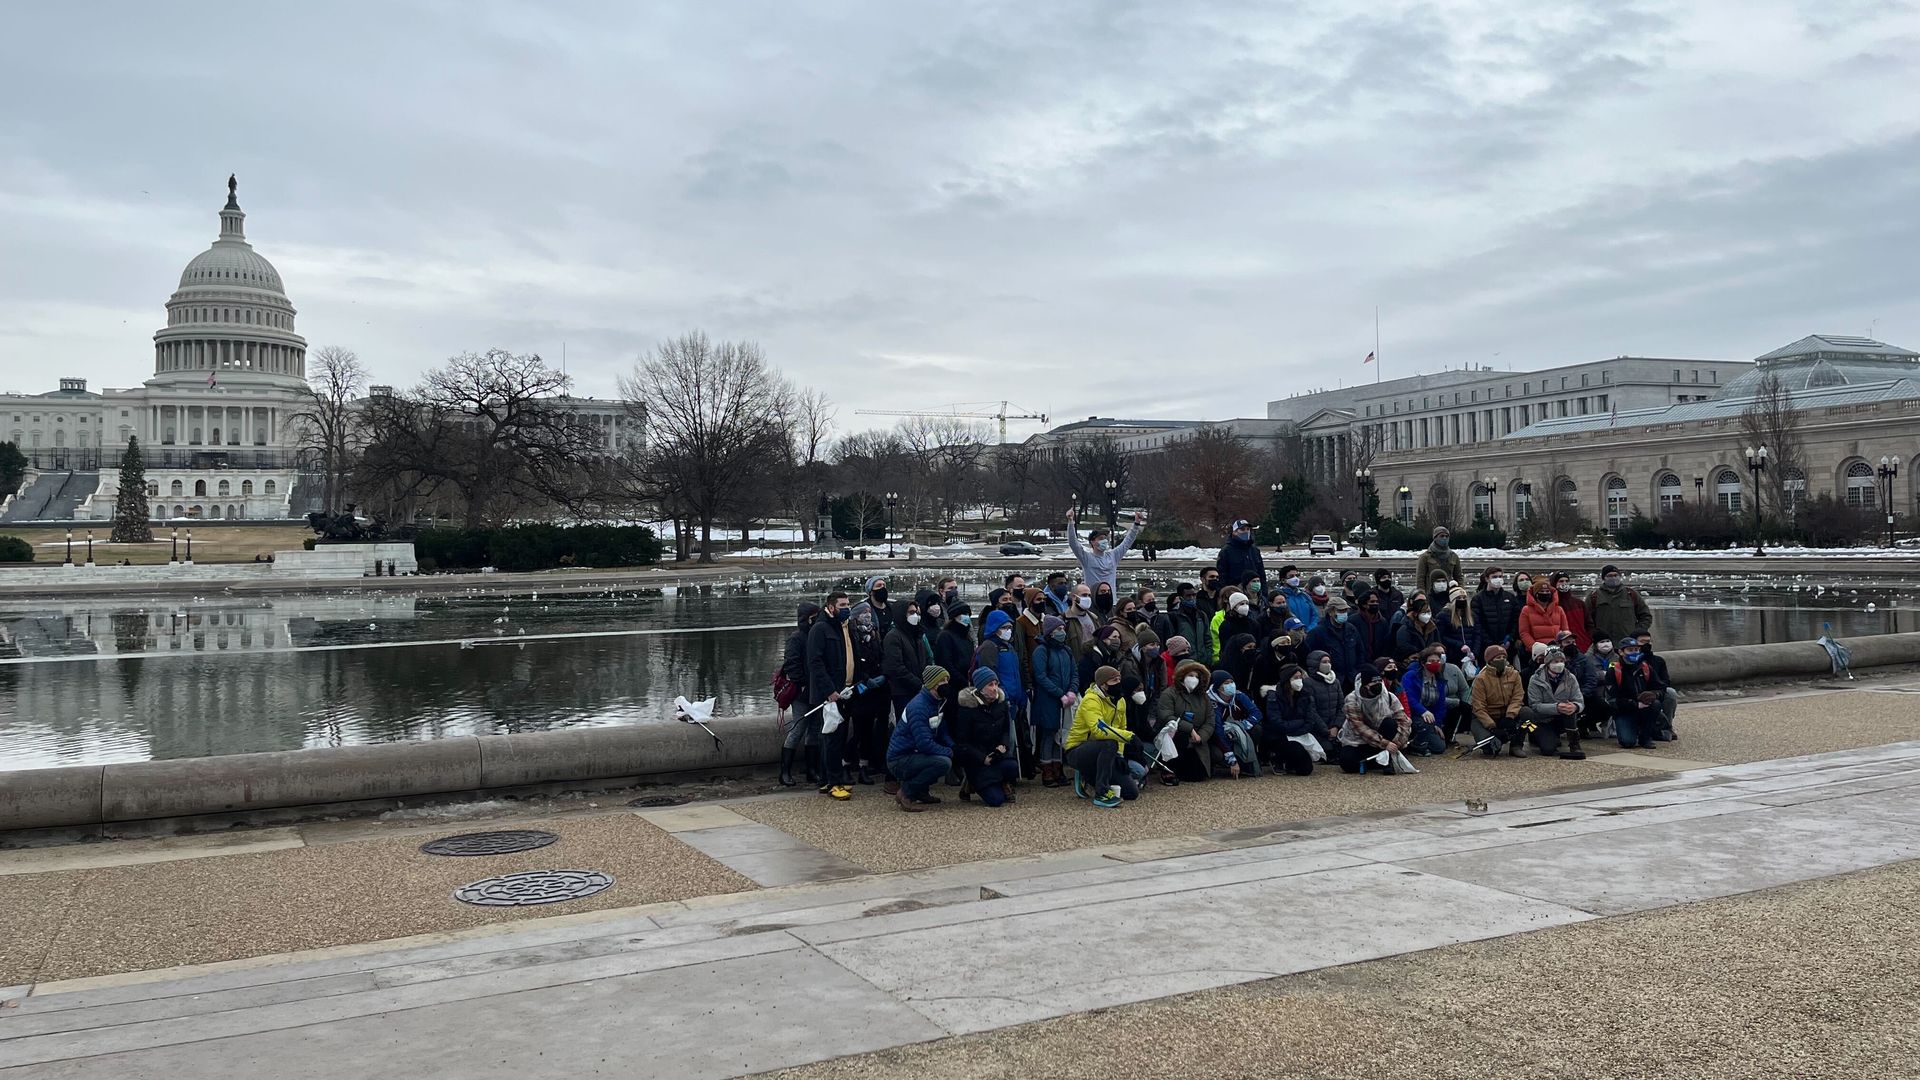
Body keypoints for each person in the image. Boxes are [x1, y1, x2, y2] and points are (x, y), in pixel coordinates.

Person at [804, 591, 858, 798]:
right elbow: (815, 663)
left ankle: (827, 778)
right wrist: (829, 691)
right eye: (843, 605)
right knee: (832, 738)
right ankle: (835, 782)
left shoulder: (844, 627)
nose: (847, 607)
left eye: (848, 603)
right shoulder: (820, 629)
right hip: (830, 695)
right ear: (831, 606)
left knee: (835, 738)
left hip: (845, 691)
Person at [1066, 664, 1138, 807]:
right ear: (1103, 684)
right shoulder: (1091, 700)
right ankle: (1101, 793)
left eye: (1119, 679)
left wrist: (1120, 755)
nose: (1118, 683)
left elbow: (1121, 727)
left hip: (1106, 750)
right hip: (1078, 748)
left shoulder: (1120, 700)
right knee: (1109, 742)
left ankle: (1089, 776)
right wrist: (1130, 737)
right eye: (1113, 681)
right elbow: (1099, 729)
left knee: (1131, 792)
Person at [885, 666, 954, 812]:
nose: (946, 683)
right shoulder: (919, 707)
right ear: (932, 684)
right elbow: (924, 744)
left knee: (943, 757)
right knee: (943, 763)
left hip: (913, 753)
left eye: (947, 679)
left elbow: (941, 731)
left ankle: (921, 791)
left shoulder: (938, 702)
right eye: (942, 680)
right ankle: (906, 793)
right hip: (900, 758)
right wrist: (949, 752)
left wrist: (954, 747)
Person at [952, 669, 1021, 806]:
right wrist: (982, 758)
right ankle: (972, 782)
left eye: (996, 684)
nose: (995, 688)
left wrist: (1003, 746)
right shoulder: (967, 709)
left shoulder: (1001, 705)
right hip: (977, 760)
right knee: (996, 801)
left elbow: (1006, 731)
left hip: (997, 755)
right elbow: (962, 743)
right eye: (990, 685)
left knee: (1012, 766)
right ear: (980, 687)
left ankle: (1001, 782)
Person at [975, 609, 1030, 777]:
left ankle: (1009, 774)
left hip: (1014, 700)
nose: (1008, 630)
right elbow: (989, 674)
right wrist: (1001, 694)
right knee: (1006, 741)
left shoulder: (1009, 646)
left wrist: (1021, 694)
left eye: (1009, 627)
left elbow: (1016, 672)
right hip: (1000, 700)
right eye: (1004, 627)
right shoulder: (989, 647)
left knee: (1012, 740)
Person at [1029, 615, 1078, 786]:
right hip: (1047, 699)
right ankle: (1047, 769)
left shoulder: (1067, 650)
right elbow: (1041, 677)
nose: (1062, 632)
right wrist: (1059, 693)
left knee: (1061, 733)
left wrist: (1072, 690)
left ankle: (1059, 767)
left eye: (1063, 629)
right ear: (1050, 632)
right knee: (1049, 733)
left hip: (1065, 699)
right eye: (1058, 629)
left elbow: (1074, 672)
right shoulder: (1041, 651)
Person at [845, 602, 890, 785]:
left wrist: (882, 676)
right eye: (863, 612)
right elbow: (854, 662)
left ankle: (864, 767)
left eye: (869, 612)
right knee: (858, 732)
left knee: (867, 733)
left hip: (875, 691)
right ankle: (846, 765)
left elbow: (881, 658)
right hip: (859, 691)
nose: (867, 615)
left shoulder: (875, 634)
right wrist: (863, 680)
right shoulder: (852, 636)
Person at [1153, 658, 1217, 783]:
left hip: (1196, 739)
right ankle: (1168, 768)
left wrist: (1201, 736)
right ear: (1182, 676)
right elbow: (1166, 716)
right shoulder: (1169, 694)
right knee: (1179, 737)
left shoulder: (1203, 697)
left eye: (1197, 676)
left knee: (1197, 776)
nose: (1194, 679)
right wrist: (1190, 729)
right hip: (1174, 735)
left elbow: (1210, 720)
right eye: (1190, 675)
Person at [1336, 664, 1408, 774]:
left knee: (1390, 724)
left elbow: (1404, 720)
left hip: (1384, 736)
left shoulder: (1389, 697)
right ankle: (1377, 759)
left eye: (1379, 684)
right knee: (1347, 763)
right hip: (1359, 740)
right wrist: (1385, 744)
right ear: (1364, 686)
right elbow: (1360, 728)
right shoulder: (1352, 699)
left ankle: (1387, 758)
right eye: (1373, 685)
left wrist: (1398, 742)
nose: (1378, 687)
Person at [778, 602, 820, 786]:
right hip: (802, 691)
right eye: (813, 616)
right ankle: (784, 771)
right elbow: (791, 664)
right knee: (798, 729)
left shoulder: (816, 634)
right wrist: (802, 683)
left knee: (815, 730)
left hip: (817, 690)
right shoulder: (796, 638)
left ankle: (812, 770)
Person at [1261, 664, 1328, 774]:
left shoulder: (1306, 695)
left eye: (1300, 677)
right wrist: (1299, 723)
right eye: (1295, 678)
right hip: (1280, 736)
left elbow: (1310, 720)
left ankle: (1291, 762)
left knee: (1305, 770)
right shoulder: (1274, 696)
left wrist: (1298, 730)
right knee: (1294, 749)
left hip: (1300, 734)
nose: (1299, 680)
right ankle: (1277, 758)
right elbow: (1277, 723)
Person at [1065, 506, 1144, 596]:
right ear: (1093, 541)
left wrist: (1136, 523)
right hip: (1093, 602)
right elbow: (1073, 543)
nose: (1105, 541)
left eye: (1106, 539)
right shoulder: (1086, 558)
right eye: (1101, 538)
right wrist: (1071, 522)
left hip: (1111, 602)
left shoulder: (1113, 556)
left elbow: (1127, 542)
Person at [1523, 646, 1586, 759]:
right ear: (1548, 663)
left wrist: (1575, 707)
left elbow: (1579, 700)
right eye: (1555, 661)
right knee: (1548, 749)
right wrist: (1556, 707)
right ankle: (1535, 735)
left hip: (1561, 718)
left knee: (1570, 708)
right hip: (1541, 720)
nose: (1559, 664)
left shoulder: (1571, 678)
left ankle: (1574, 743)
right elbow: (1535, 705)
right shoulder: (1535, 679)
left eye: (1562, 661)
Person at [1609, 636, 1671, 749]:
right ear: (1621, 652)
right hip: (1625, 711)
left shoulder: (1646, 667)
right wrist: (1635, 704)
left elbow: (1661, 687)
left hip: (1646, 707)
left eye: (1636, 650)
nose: (1634, 653)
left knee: (1656, 704)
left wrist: (1654, 694)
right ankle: (1634, 728)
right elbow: (1611, 700)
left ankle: (1646, 737)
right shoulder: (1614, 670)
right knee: (1627, 742)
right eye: (1630, 650)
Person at [1468, 643, 1526, 757]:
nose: (1502, 660)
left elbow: (1518, 697)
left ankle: (1516, 745)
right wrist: (1492, 727)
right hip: (1486, 717)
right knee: (1490, 750)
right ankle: (1493, 741)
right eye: (1498, 658)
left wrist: (1510, 715)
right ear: (1490, 660)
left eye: (1504, 657)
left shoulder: (1514, 674)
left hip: (1507, 715)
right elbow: (1478, 707)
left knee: (1526, 713)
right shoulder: (1481, 679)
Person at [1206, 670, 1262, 778]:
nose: (1231, 685)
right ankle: (1224, 764)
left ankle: (1248, 761)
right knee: (1217, 754)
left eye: (1232, 682)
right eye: (1226, 683)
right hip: (1219, 736)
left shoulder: (1239, 696)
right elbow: (1217, 730)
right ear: (1218, 687)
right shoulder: (1211, 702)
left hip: (1239, 733)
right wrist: (1231, 758)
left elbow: (1256, 712)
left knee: (1257, 729)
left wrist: (1244, 725)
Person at [1304, 597, 1367, 689]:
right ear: (1330, 612)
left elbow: (1360, 651)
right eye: (1340, 610)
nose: (1344, 613)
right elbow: (1310, 657)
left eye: (1345, 610)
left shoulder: (1351, 629)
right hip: (1329, 680)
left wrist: (1358, 671)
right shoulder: (1317, 633)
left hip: (1352, 679)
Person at [1400, 645, 1452, 754]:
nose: (1435, 663)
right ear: (1423, 663)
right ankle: (1416, 746)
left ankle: (1420, 741)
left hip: (1430, 717)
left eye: (1437, 661)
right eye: (1431, 661)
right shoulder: (1411, 676)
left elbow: (1440, 706)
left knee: (1439, 747)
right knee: (1424, 725)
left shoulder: (1440, 681)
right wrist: (1423, 711)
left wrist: (1438, 724)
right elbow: (1409, 698)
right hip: (1412, 713)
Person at [1586, 564, 1652, 645]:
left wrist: (1637, 631)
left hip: (1628, 642)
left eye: (1615, 575)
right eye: (1609, 575)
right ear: (1603, 578)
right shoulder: (1594, 596)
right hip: (1604, 643)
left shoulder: (1631, 594)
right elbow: (1586, 619)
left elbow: (1646, 616)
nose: (1613, 578)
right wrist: (1595, 634)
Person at [1632, 631, 1680, 740]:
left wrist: (1656, 692)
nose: (1646, 644)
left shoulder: (1658, 661)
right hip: (1636, 693)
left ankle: (1667, 726)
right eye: (1642, 642)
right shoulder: (1631, 660)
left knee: (1670, 693)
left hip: (1656, 691)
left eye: (1648, 641)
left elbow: (1665, 681)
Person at [1473, 568, 1520, 660]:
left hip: (1507, 647)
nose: (1498, 579)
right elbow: (1478, 624)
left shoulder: (1510, 597)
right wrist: (1490, 643)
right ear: (1487, 579)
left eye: (1500, 576)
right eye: (1494, 577)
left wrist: (1510, 638)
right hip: (1486, 648)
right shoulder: (1478, 599)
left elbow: (1515, 620)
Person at [1575, 631, 1615, 738]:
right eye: (1602, 642)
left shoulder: (1617, 657)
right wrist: (1606, 675)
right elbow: (1589, 677)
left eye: (1608, 641)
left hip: (1612, 690)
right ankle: (1583, 723)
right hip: (1595, 691)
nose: (1606, 644)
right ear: (1595, 645)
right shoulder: (1587, 659)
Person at [1216, 519, 1267, 595]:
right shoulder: (1226, 551)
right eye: (1242, 529)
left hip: (1255, 593)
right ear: (1234, 532)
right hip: (1235, 593)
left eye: (1248, 529)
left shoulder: (1255, 550)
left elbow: (1261, 574)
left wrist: (1264, 594)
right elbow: (1222, 576)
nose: (1246, 532)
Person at [1518, 577, 1569, 654]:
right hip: (1536, 652)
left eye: (1547, 591)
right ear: (1536, 594)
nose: (1545, 593)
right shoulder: (1526, 610)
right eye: (1542, 591)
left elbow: (1565, 630)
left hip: (1557, 650)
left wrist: (1562, 646)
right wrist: (1535, 648)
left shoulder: (1559, 609)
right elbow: (1524, 633)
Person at [1414, 527, 1462, 599]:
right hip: (1431, 595)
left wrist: (1460, 592)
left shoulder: (1453, 556)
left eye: (1447, 536)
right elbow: (1420, 578)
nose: (1445, 538)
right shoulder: (1425, 557)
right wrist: (1422, 595)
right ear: (1435, 538)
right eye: (1442, 536)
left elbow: (1459, 577)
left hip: (1448, 595)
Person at [1550, 571, 1593, 651]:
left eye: (1566, 581)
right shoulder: (1551, 605)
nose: (1564, 583)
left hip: (1583, 645)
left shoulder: (1579, 603)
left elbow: (1589, 624)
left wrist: (1589, 638)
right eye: (1561, 581)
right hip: (1563, 647)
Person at [933, 602, 975, 680]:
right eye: (964, 614)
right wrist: (962, 681)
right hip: (954, 684)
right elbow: (946, 664)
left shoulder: (967, 637)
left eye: (968, 614)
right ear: (955, 616)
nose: (967, 617)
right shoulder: (945, 636)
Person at [1394, 595, 1441, 661]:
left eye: (1429, 611)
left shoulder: (1433, 627)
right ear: (1416, 613)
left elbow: (1437, 643)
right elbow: (1403, 647)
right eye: (1424, 612)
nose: (1427, 614)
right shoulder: (1405, 628)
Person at [1277, 566, 1319, 633]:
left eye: (1297, 575)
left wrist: (1308, 631)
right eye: (1291, 576)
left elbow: (1315, 615)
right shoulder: (1279, 597)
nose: (1295, 578)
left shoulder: (1304, 596)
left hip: (1309, 634)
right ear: (1283, 580)